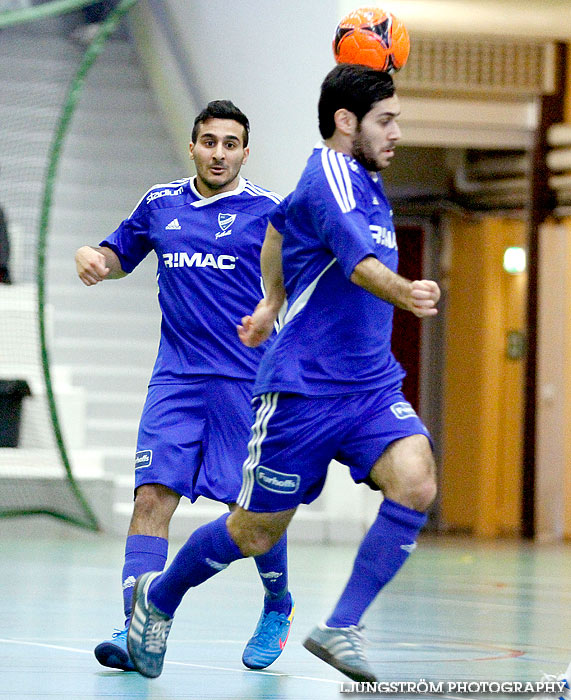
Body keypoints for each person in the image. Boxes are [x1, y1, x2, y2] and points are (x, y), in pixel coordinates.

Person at [125, 64, 440, 682]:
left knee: (417, 479)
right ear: (347, 123)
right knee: (253, 530)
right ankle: (157, 600)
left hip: (371, 386)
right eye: (387, 120)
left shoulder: (365, 182)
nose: (398, 131)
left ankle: (341, 625)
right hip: (301, 390)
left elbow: (277, 228)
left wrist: (270, 299)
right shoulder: (330, 175)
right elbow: (357, 263)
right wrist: (405, 291)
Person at [75, 100, 293, 673]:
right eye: (208, 142)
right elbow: (118, 253)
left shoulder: (272, 212)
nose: (218, 153)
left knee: (253, 512)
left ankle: (278, 605)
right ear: (192, 146)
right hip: (176, 377)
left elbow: (303, 283)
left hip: (247, 383)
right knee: (151, 498)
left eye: (230, 143)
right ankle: (138, 630)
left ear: (246, 151)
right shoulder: (160, 203)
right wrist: (94, 258)